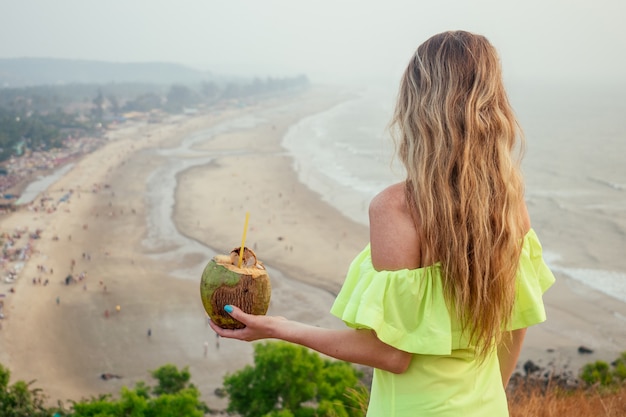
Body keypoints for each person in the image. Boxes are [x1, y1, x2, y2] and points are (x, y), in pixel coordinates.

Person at [210, 30, 555, 416]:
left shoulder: (399, 208)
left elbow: (393, 354)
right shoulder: (509, 204)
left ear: (417, 106)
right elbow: (515, 325)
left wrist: (279, 327)